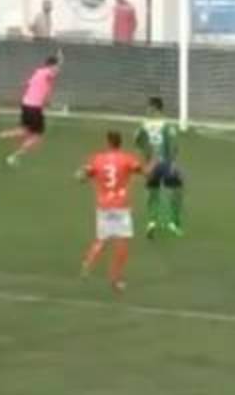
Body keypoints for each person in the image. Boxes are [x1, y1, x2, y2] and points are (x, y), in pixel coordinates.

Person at [78, 131, 145, 293]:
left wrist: (82, 176)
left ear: (108, 142)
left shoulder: (97, 159)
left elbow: (82, 175)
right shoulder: (126, 158)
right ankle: (116, 279)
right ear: (120, 143)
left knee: (102, 239)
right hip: (121, 206)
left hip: (103, 205)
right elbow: (140, 169)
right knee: (122, 243)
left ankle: (87, 263)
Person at [0, 53, 62, 166]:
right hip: (34, 108)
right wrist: (59, 64)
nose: (56, 68)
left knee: (25, 130)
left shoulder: (37, 72)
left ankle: (1, 135)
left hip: (26, 105)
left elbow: (27, 84)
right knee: (37, 136)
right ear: (51, 65)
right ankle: (14, 156)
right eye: (55, 66)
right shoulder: (48, 73)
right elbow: (53, 73)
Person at [134, 97, 183, 238]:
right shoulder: (167, 125)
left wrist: (146, 156)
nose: (147, 110)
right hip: (166, 164)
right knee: (176, 192)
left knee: (152, 193)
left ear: (155, 108)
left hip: (151, 165)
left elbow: (137, 141)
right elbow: (173, 146)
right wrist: (173, 163)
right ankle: (173, 223)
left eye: (149, 107)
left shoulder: (144, 125)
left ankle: (152, 222)